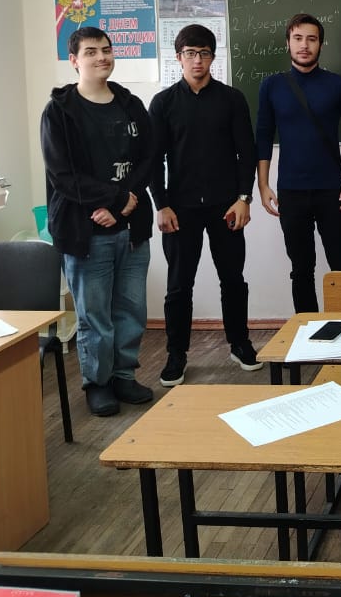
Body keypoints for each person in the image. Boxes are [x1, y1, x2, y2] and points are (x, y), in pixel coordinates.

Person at [40, 26, 153, 417]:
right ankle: (98, 383)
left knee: (131, 311)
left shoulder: (130, 104)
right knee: (95, 316)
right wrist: (115, 200)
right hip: (85, 230)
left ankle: (123, 375)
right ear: (74, 61)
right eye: (91, 52)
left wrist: (123, 204)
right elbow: (63, 175)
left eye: (106, 49)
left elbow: (148, 158)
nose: (102, 57)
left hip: (131, 228)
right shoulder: (59, 111)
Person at [149, 23, 261, 387]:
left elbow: (247, 154)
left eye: (204, 53)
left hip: (226, 206)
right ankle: (176, 354)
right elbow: (153, 160)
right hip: (180, 209)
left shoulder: (232, 99)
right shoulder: (163, 103)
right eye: (190, 53)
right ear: (178, 57)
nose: (197, 60)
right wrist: (161, 205)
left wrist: (244, 199)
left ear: (213, 57)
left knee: (233, 279)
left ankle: (240, 343)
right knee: (179, 285)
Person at [256, 12, 341, 312]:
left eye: (311, 39)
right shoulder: (271, 86)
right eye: (298, 38)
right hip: (291, 190)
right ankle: (308, 329)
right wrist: (263, 185)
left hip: (334, 191)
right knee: (301, 268)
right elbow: (263, 137)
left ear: (321, 45)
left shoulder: (338, 85)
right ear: (287, 43)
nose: (304, 45)